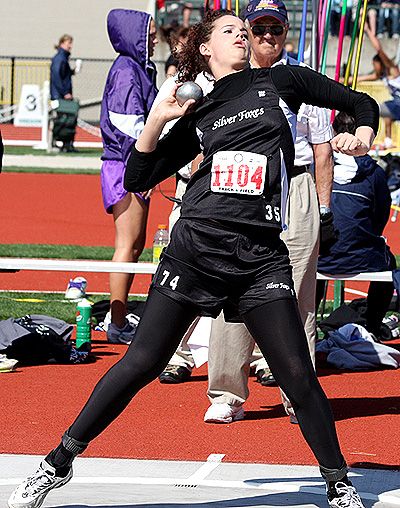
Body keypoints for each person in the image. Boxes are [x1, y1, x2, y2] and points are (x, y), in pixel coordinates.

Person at [8, 10, 378, 508]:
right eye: (229, 30)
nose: (242, 34)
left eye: (244, 30)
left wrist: (364, 134)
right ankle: (57, 463)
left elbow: (358, 101)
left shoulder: (281, 80)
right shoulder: (199, 109)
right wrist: (157, 119)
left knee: (296, 372)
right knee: (142, 362)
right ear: (205, 48)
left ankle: (338, 482)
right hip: (197, 249)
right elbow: (139, 175)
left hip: (260, 256)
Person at [202, 0, 335, 423]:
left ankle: (299, 395)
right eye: (258, 28)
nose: (267, 36)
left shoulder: (301, 79)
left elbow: (322, 149)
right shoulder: (227, 79)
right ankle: (226, 393)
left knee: (297, 294)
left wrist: (325, 209)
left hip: (295, 186)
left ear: (285, 33)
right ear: (247, 32)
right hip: (241, 185)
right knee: (233, 285)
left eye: (275, 28)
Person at [99, 9, 158, 344]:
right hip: (124, 165)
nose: (154, 38)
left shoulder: (137, 68)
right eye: (149, 33)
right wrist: (146, 162)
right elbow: (127, 124)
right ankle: (117, 322)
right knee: (127, 245)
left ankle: (117, 319)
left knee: (135, 246)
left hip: (129, 164)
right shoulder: (126, 69)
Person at [317, 111, 397, 339]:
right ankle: (372, 325)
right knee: (389, 265)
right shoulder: (374, 172)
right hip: (361, 256)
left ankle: (307, 323)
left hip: (321, 255)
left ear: (333, 131)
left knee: (312, 261)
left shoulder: (318, 165)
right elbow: (380, 216)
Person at [357, 24, 400, 148]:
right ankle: (388, 141)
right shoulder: (381, 75)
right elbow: (363, 78)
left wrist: (367, 30)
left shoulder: (392, 70)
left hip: (398, 104)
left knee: (372, 109)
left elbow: (378, 49)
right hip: (396, 104)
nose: (374, 68)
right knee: (388, 109)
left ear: (380, 63)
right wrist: (343, 80)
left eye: (375, 65)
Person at [50, 34, 80, 152]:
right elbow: (57, 77)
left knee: (66, 119)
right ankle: (61, 143)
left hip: (60, 94)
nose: (71, 46)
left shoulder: (62, 58)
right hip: (59, 95)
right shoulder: (60, 58)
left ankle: (66, 144)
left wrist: (72, 71)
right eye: (69, 43)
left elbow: (62, 74)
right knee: (63, 120)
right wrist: (65, 92)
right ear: (62, 43)